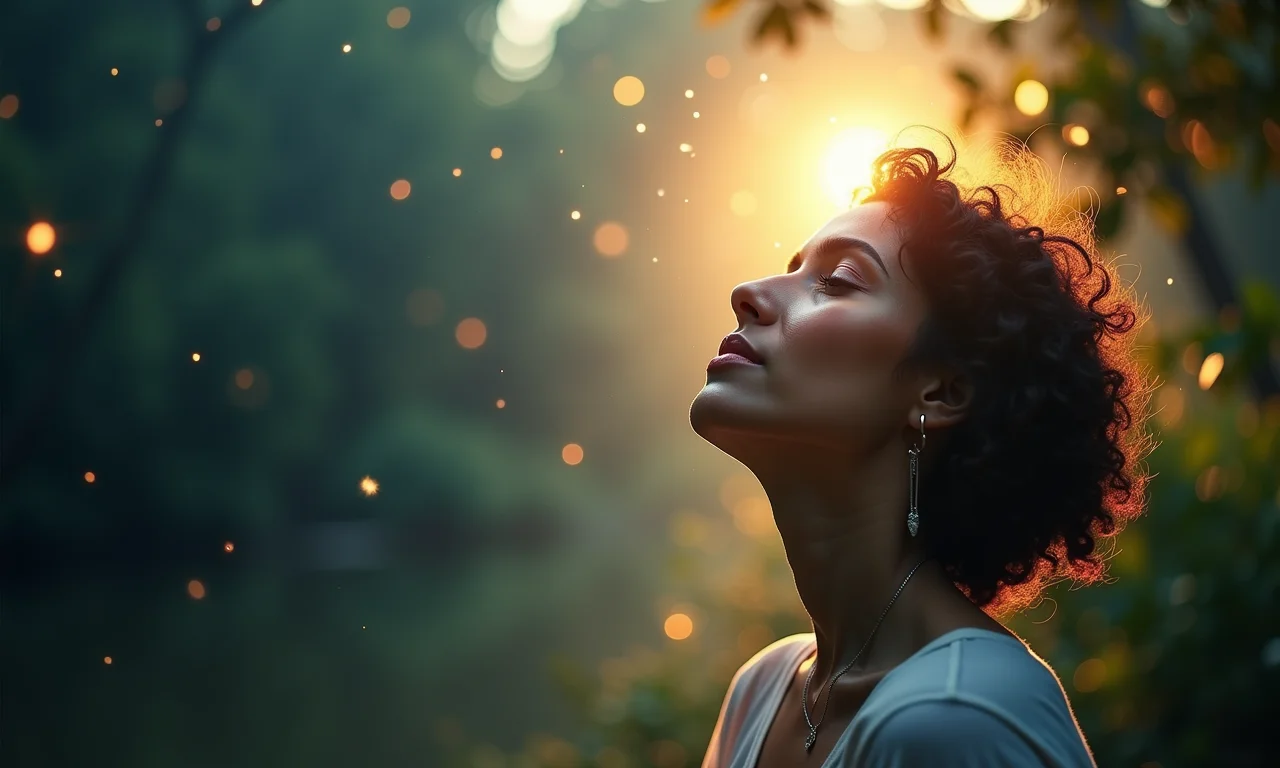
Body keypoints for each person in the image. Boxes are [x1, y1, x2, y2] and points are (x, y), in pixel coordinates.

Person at [690, 129, 1153, 767]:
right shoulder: (765, 691)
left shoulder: (955, 721)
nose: (749, 292)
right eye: (796, 267)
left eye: (839, 280)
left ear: (940, 392)